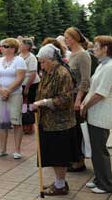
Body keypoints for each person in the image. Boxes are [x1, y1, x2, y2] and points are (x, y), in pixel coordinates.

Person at [32, 44, 79, 196]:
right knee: (53, 154)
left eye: (43, 61)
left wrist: (45, 103)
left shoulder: (62, 73)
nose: (41, 65)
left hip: (60, 123)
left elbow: (65, 98)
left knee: (59, 156)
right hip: (48, 121)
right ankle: (60, 181)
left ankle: (60, 185)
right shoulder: (49, 71)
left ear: (52, 60)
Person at [80, 36, 112, 194]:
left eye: (97, 46)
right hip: (95, 113)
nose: (94, 48)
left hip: (101, 114)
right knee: (95, 148)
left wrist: (85, 106)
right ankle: (99, 179)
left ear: (106, 48)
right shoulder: (102, 65)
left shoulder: (110, 67)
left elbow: (101, 93)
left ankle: (106, 184)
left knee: (100, 150)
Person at [0, 38, 26, 159]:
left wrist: (8, 90)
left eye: (6, 46)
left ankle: (17, 150)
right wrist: (0, 90)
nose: (3, 48)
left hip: (14, 94)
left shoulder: (19, 60)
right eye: (2, 46)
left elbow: (20, 78)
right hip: (0, 93)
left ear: (13, 48)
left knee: (16, 121)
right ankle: (2, 149)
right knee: (2, 122)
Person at [64, 27, 91, 172]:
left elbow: (85, 80)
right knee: (71, 129)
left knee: (77, 129)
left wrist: (79, 99)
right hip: (70, 95)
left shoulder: (83, 55)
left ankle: (79, 160)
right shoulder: (72, 54)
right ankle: (74, 157)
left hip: (78, 96)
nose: (65, 40)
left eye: (67, 37)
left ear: (74, 38)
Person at [19, 38, 40, 134]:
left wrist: (27, 87)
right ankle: (24, 123)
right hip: (21, 84)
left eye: (21, 44)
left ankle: (30, 125)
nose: (19, 45)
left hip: (31, 84)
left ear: (27, 46)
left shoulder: (32, 58)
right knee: (23, 105)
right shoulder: (20, 55)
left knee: (30, 104)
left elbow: (33, 74)